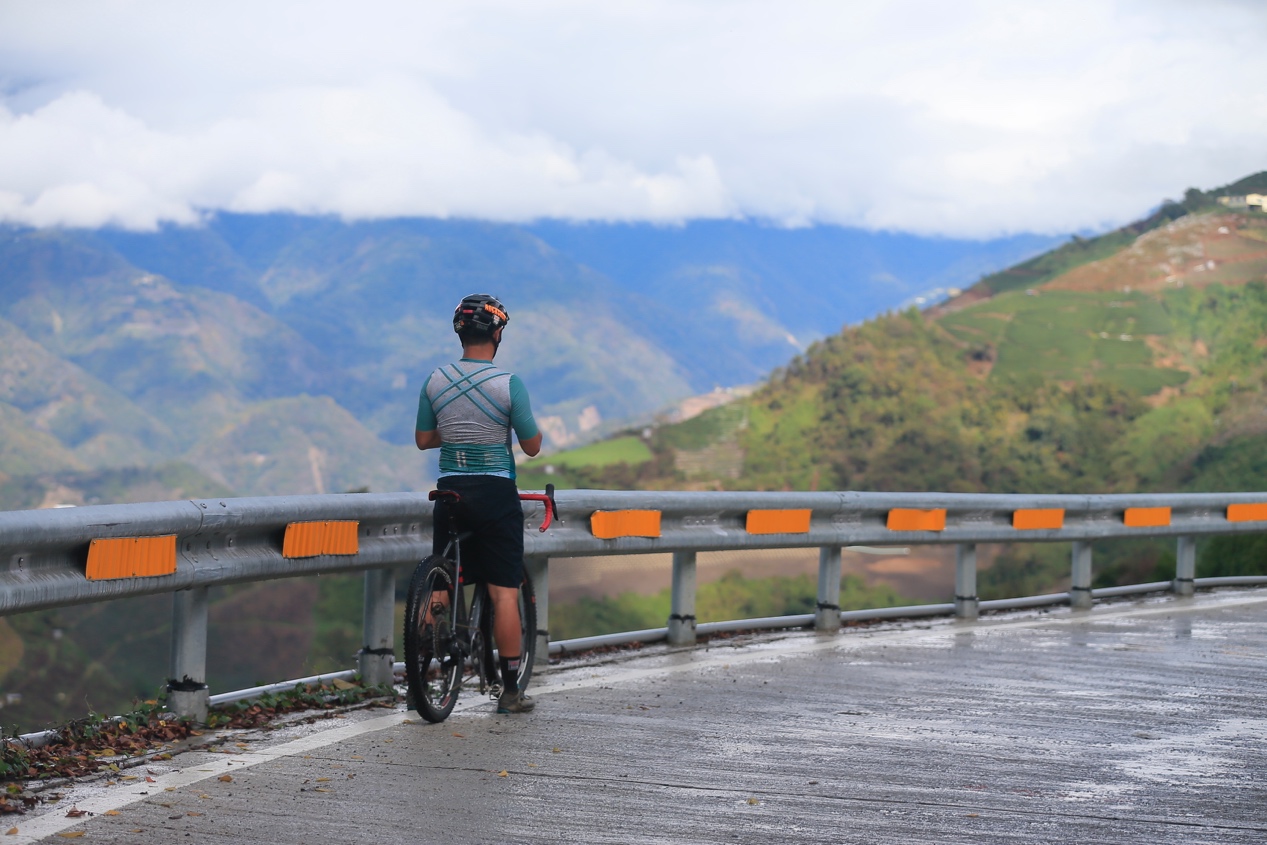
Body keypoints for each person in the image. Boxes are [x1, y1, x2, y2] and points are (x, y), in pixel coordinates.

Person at [415, 294, 543, 714]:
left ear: (460, 333)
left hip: (450, 490)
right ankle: (510, 691)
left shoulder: (434, 380)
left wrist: (456, 430)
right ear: (498, 334)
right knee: (505, 592)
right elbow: (532, 445)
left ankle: (423, 660)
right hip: (494, 493)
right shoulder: (509, 383)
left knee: (443, 582)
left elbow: (424, 439)